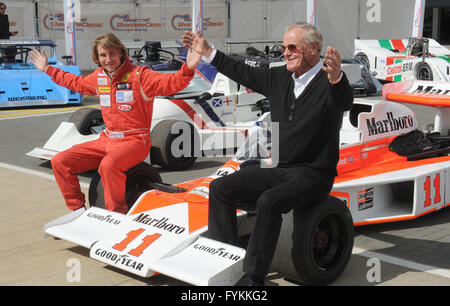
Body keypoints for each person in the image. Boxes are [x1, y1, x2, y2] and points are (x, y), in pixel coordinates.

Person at [181, 22, 353, 285]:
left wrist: (337, 79)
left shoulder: (328, 83)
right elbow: (241, 72)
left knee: (268, 202)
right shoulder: (279, 77)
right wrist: (208, 51)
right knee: (220, 189)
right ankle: (224, 261)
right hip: (282, 169)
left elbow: (344, 101)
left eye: (293, 47)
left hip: (314, 175)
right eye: (283, 48)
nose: (286, 53)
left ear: (313, 49)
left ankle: (253, 278)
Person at [30, 33, 201, 214]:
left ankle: (116, 215)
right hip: (107, 139)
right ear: (97, 57)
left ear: (121, 53)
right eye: (103, 55)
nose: (108, 59)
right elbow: (74, 82)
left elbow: (170, 83)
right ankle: (77, 212)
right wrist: (48, 69)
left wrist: (187, 69)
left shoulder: (140, 76)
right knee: (60, 161)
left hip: (135, 141)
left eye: (112, 54)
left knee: (109, 165)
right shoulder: (99, 77)